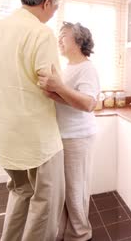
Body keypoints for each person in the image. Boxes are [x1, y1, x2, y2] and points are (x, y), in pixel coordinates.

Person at [0, 0, 65, 241]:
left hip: (4, 131)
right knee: (44, 201)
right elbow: (51, 85)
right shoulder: (41, 32)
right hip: (36, 136)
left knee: (20, 192)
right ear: (46, 3)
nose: (54, 14)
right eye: (55, 8)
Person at [37, 22, 100, 241]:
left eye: (64, 35)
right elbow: (67, 100)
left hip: (79, 136)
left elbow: (89, 104)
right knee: (65, 190)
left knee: (75, 189)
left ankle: (80, 234)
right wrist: (52, 91)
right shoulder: (67, 68)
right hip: (64, 135)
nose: (59, 39)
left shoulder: (87, 68)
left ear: (79, 41)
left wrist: (59, 88)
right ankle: (67, 233)